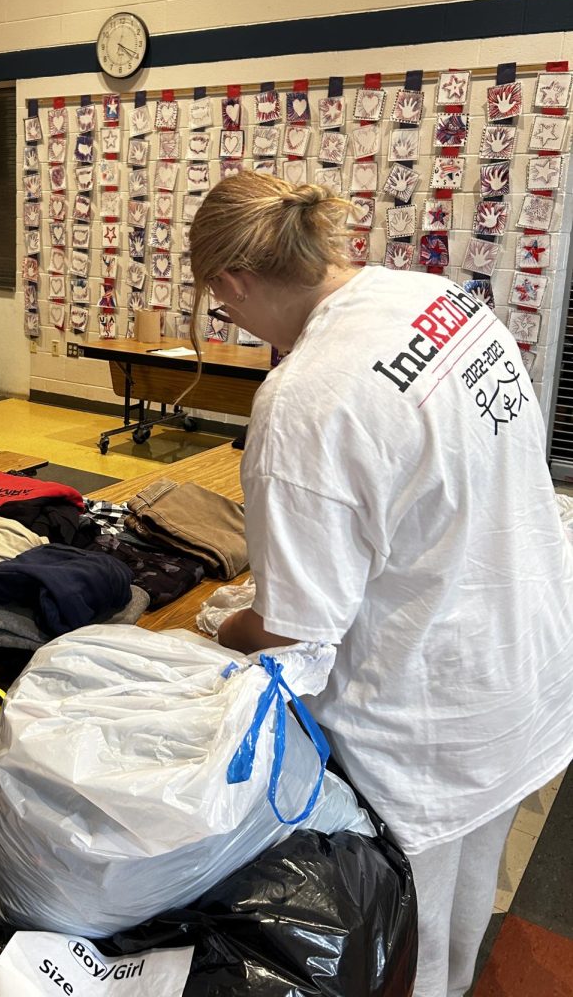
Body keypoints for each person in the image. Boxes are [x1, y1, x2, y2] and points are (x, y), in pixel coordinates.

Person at [187, 172, 573, 997]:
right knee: (474, 884)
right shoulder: (435, 297)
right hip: (524, 654)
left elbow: (298, 639)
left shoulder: (304, 399)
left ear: (230, 282)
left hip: (435, 707)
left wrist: (226, 623)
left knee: (407, 938)